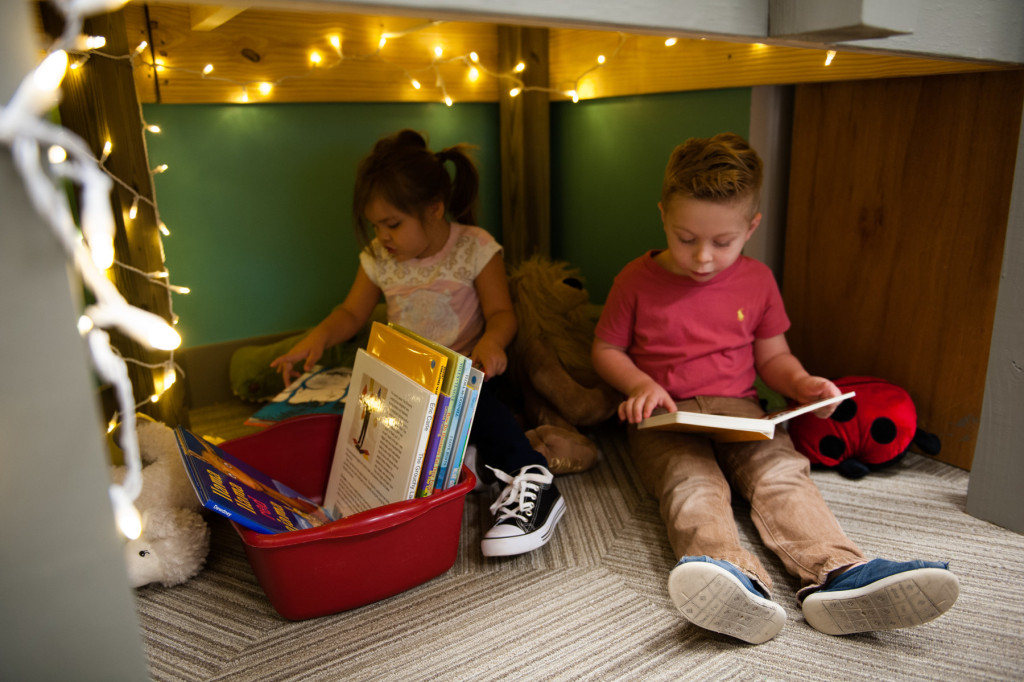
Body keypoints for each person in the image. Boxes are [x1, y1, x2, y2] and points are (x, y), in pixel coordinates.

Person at [590, 132, 959, 644]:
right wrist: (640, 384)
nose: (702, 257)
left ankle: (837, 573)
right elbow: (606, 349)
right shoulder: (635, 279)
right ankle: (729, 576)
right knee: (693, 484)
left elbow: (774, 357)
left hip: (740, 410)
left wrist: (805, 384)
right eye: (685, 237)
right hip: (665, 416)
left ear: (751, 227)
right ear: (662, 216)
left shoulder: (757, 280)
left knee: (782, 474)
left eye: (723, 242)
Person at [271, 129, 565, 557]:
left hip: (469, 376)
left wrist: (492, 343)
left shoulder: (474, 247)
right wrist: (315, 339)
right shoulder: (380, 257)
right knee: (355, 421)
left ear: (435, 209)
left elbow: (502, 313)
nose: (383, 236)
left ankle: (532, 478)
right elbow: (352, 314)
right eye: (376, 226)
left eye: (392, 224)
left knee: (483, 410)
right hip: (406, 387)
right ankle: (465, 469)